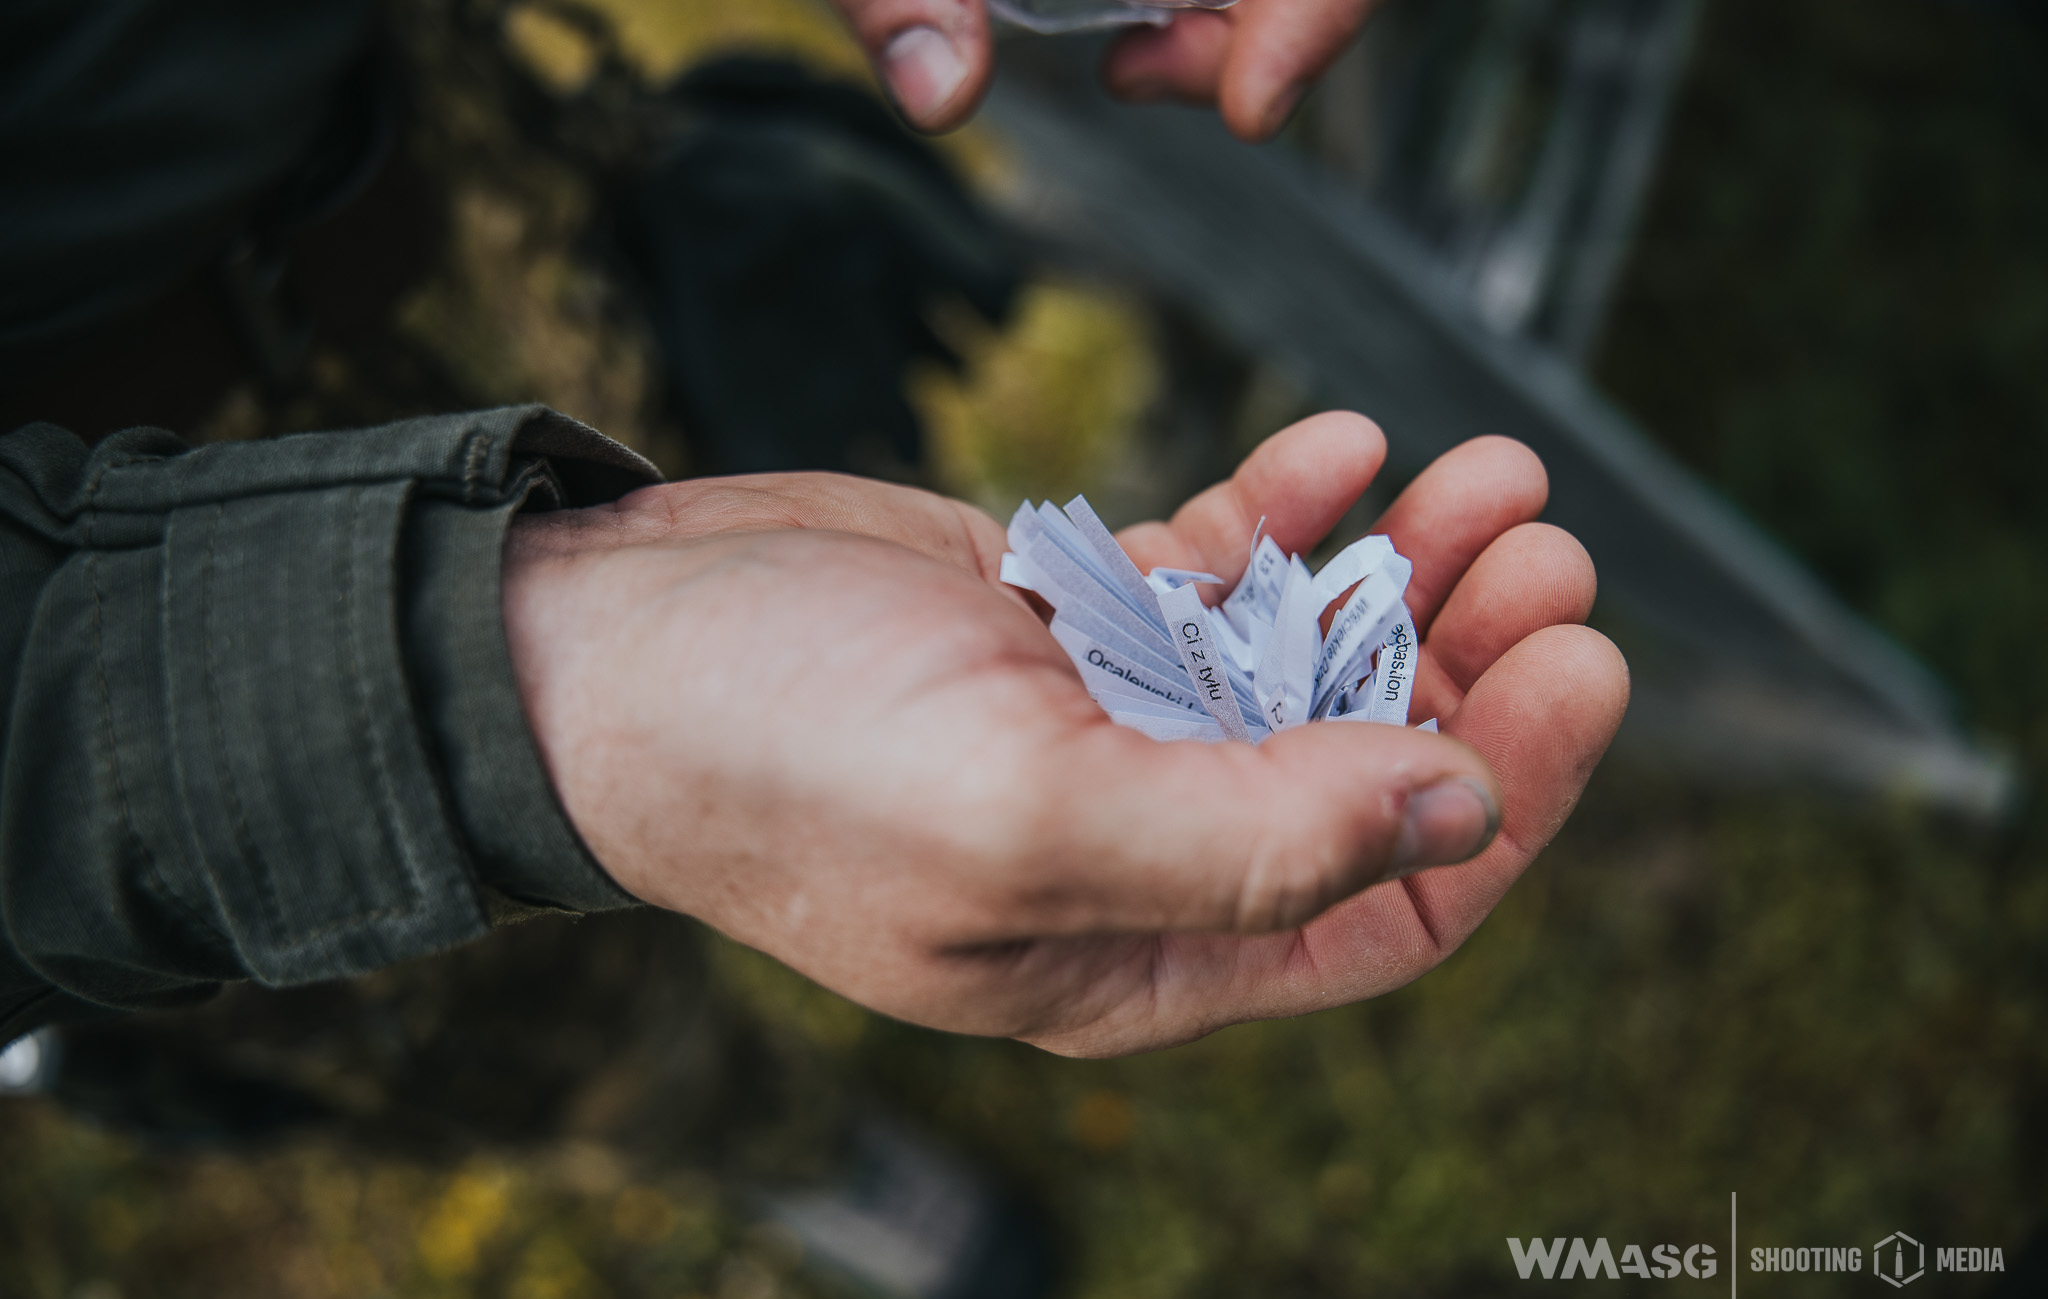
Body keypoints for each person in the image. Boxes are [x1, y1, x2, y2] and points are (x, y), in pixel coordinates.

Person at [0, 0, 1627, 1060]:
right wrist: (547, 680)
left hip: (385, 139)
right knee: (430, 1012)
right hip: (135, 602)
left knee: (683, 429)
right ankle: (719, 1127)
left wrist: (582, 610)